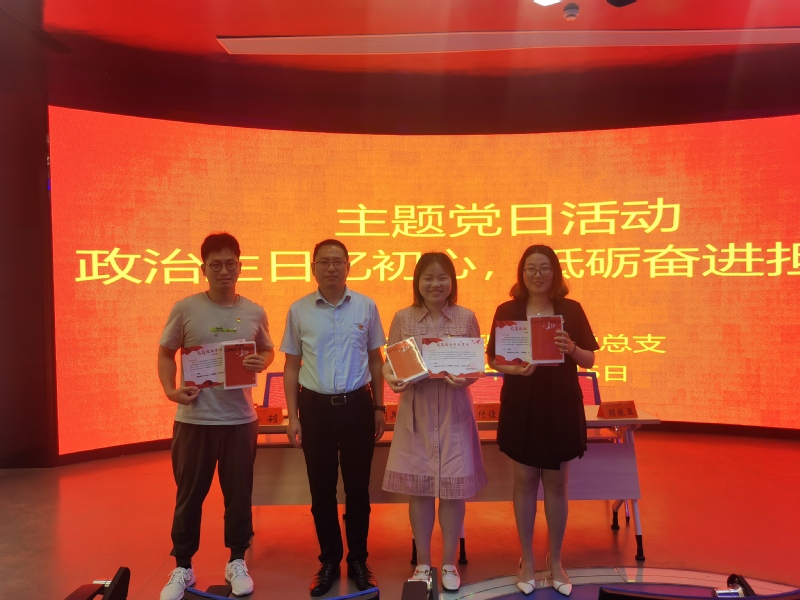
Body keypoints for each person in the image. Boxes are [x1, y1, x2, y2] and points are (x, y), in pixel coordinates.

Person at [157, 233, 275, 600]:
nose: (224, 271)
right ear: (203, 269)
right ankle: (183, 566)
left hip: (240, 420)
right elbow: (165, 353)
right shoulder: (185, 308)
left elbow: (267, 350)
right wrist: (171, 390)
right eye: (216, 265)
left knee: (238, 496)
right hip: (194, 420)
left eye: (230, 264)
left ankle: (236, 560)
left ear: (240, 267)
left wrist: (260, 362)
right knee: (189, 496)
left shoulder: (254, 311)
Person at [486, 244, 598, 597]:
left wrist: (571, 348)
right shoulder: (507, 310)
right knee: (524, 482)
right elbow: (494, 360)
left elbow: (590, 359)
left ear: (555, 272)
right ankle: (527, 559)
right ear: (521, 274)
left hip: (560, 405)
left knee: (557, 483)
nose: (537, 274)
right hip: (522, 405)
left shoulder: (571, 310)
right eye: (530, 268)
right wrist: (515, 370)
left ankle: (556, 559)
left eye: (544, 268)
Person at [281, 239, 387, 597]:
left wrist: (379, 407)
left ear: (348, 266)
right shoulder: (299, 310)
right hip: (315, 409)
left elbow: (376, 360)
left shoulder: (366, 306)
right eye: (323, 262)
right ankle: (328, 560)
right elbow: (291, 366)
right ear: (313, 267)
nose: (331, 267)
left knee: (358, 489)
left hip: (358, 406)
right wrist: (293, 416)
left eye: (337, 261)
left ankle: (358, 560)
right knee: (321, 490)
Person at [382, 252, 487, 592]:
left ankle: (450, 563)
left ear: (452, 282)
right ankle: (424, 563)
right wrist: (392, 378)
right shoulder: (403, 317)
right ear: (417, 282)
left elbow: (476, 365)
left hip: (454, 411)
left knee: (453, 491)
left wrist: (467, 378)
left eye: (442, 277)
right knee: (421, 489)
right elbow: (390, 361)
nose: (435, 284)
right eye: (428, 278)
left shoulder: (466, 317)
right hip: (417, 411)